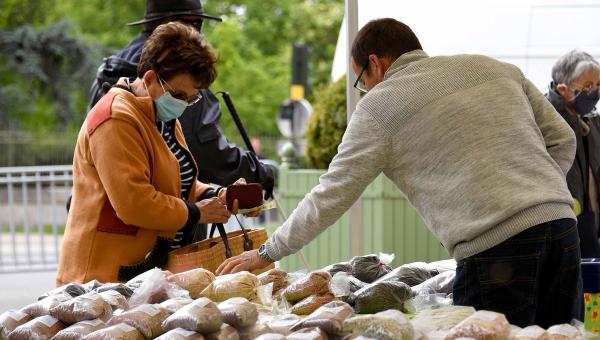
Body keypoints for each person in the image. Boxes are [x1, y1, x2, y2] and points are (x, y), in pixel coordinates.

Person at [217, 18, 581, 327]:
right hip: (562, 228)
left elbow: (333, 192)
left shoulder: (380, 105)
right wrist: (539, 192)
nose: (365, 89)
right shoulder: (495, 68)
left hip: (496, 249)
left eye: (361, 79)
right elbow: (563, 139)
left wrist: (267, 252)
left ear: (375, 63)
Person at [57, 22, 257, 285]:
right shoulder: (116, 118)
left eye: (191, 98)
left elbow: (174, 181)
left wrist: (215, 195)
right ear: (150, 78)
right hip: (103, 280)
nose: (184, 104)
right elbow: (135, 203)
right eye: (178, 95)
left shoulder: (158, 114)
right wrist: (197, 213)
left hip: (142, 275)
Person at [88, 0, 275, 204]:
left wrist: (213, 195)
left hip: (111, 210)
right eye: (195, 24)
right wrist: (257, 172)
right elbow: (205, 152)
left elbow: (180, 175)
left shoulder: (109, 73)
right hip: (137, 226)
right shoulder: (180, 78)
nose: (199, 35)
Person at [546, 50, 600, 258]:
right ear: (563, 89)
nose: (594, 92)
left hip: (591, 224)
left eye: (598, 85)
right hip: (562, 226)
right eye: (587, 86)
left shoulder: (592, 120)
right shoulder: (545, 121)